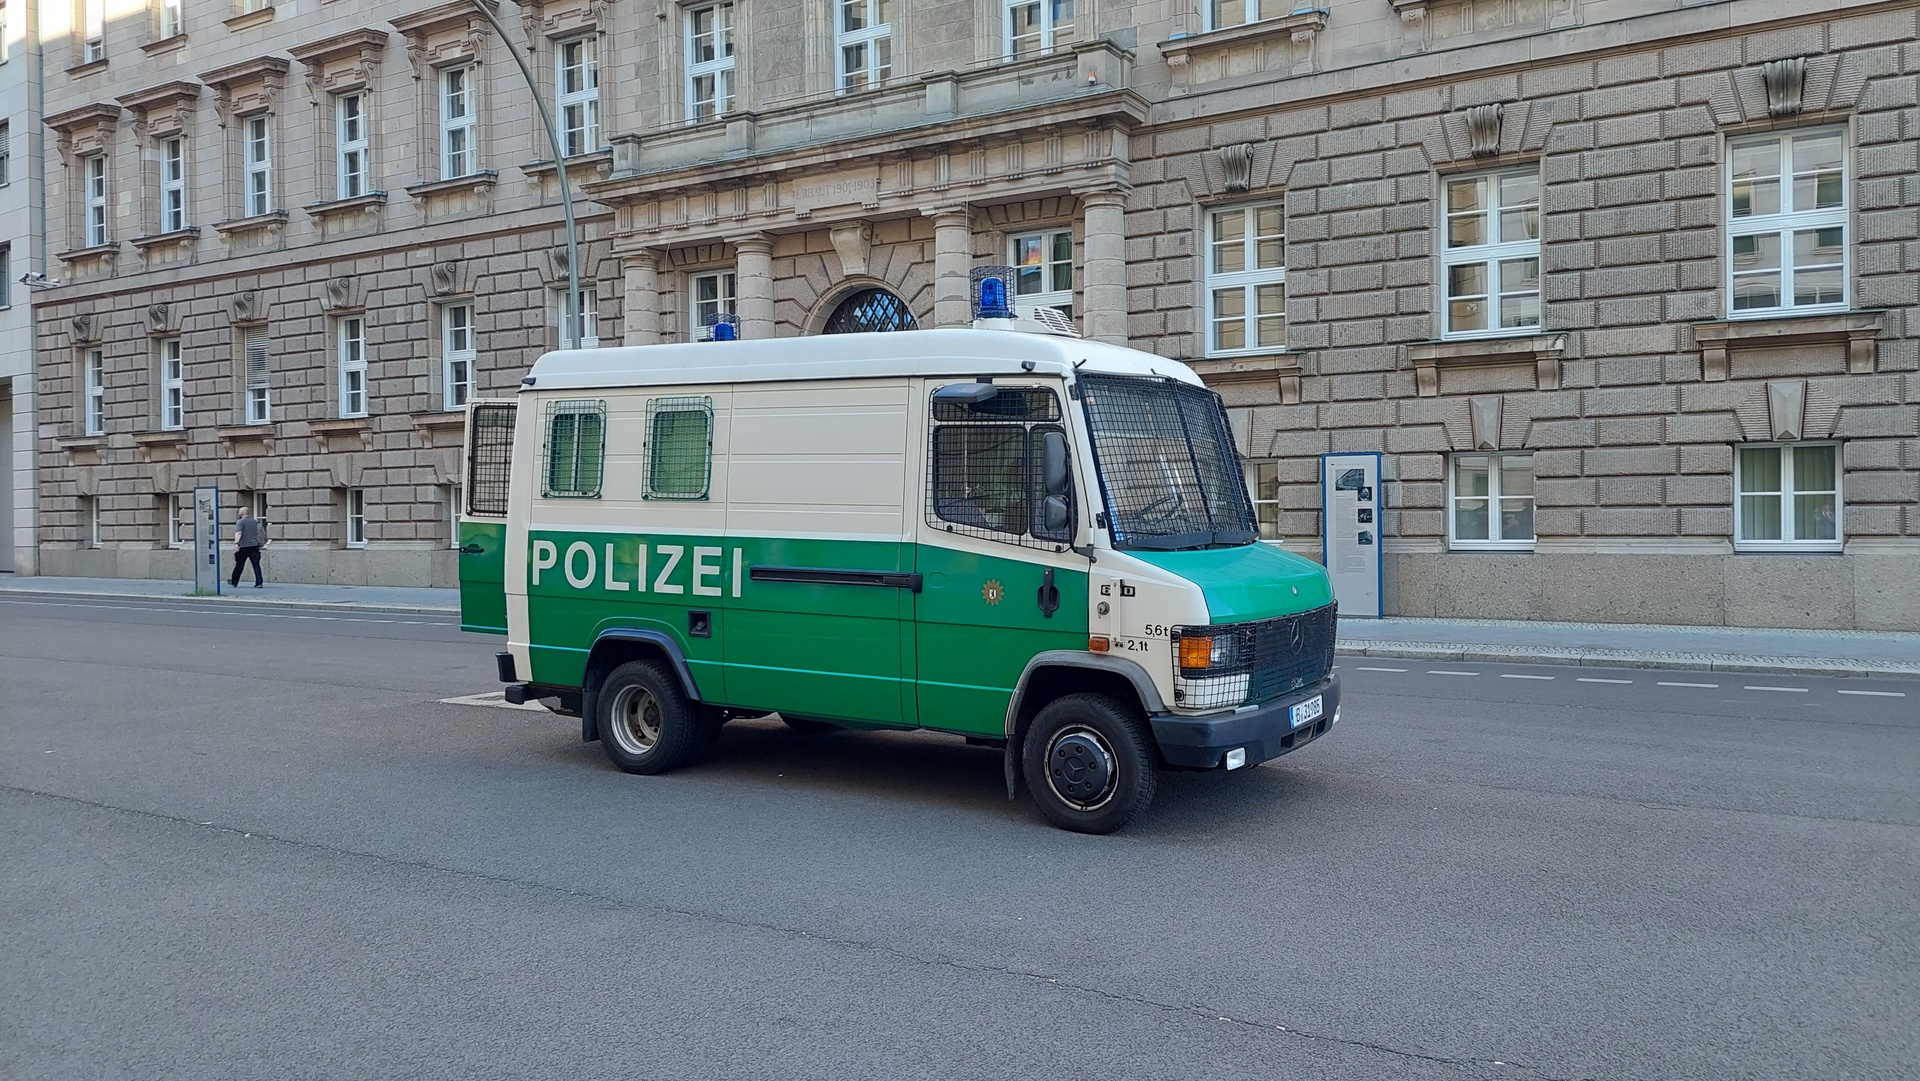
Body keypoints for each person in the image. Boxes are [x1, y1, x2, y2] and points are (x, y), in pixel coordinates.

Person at [231, 507, 264, 588]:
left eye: (239, 512)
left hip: (244, 546)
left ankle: (234, 582)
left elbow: (239, 532)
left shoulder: (240, 522)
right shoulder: (255, 521)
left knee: (239, 565)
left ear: (241, 513)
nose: (238, 513)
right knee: (256, 565)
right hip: (254, 546)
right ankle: (259, 582)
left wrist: (236, 542)